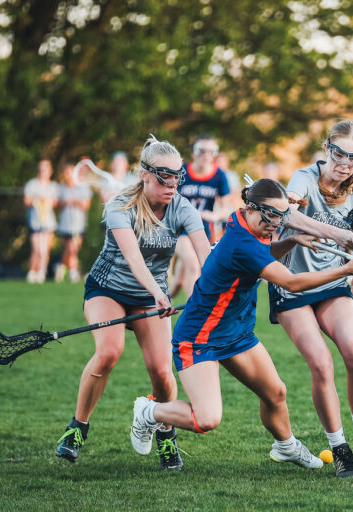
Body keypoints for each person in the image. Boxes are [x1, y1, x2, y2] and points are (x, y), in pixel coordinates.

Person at [130, 178, 353, 472]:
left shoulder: (246, 223)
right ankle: (149, 411)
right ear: (250, 208)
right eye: (271, 215)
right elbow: (292, 282)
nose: (276, 223)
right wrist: (346, 269)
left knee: (276, 394)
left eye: (282, 216)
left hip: (236, 332)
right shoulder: (243, 241)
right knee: (206, 420)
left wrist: (291, 240)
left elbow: (260, 259)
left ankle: (285, 446)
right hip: (200, 337)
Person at [55, 136, 210, 470]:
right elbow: (134, 257)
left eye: (177, 176)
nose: (171, 184)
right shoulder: (119, 205)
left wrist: (215, 286)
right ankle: (78, 426)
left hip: (150, 296)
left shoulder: (183, 209)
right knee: (109, 352)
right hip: (107, 289)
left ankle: (166, 435)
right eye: (163, 176)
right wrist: (158, 291)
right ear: (144, 174)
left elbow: (205, 256)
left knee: (161, 371)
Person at [268, 120, 353, 479]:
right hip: (291, 284)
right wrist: (337, 235)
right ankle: (339, 449)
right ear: (327, 149)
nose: (345, 163)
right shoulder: (303, 179)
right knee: (321, 364)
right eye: (339, 153)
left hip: (332, 281)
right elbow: (288, 215)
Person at [170, 135, 232, 297]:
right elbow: (167, 200)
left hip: (201, 229)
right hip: (178, 228)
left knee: (177, 281)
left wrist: (213, 215)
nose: (206, 155)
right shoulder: (182, 172)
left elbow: (225, 209)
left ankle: (152, 306)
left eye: (211, 152)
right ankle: (194, 315)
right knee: (193, 264)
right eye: (201, 151)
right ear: (193, 152)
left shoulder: (219, 176)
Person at [55, 162, 93, 283]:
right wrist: (64, 202)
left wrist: (73, 201)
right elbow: (56, 204)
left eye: (70, 172)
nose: (68, 175)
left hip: (78, 224)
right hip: (65, 224)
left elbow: (86, 205)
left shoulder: (82, 187)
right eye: (66, 172)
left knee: (73, 248)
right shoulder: (61, 188)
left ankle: (61, 267)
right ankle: (73, 272)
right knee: (70, 248)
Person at [24, 159, 60, 283]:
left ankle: (41, 272)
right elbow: (27, 201)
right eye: (41, 169)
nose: (43, 171)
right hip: (35, 221)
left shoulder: (53, 186)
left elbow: (55, 202)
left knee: (45, 250)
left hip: (48, 222)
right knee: (37, 248)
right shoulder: (32, 184)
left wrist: (47, 201)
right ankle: (32, 271)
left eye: (46, 169)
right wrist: (38, 199)